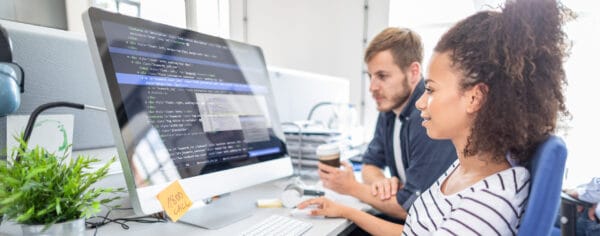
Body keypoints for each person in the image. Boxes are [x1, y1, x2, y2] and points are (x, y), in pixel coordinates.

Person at [299, 0, 572, 234]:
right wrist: (346, 211)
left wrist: (351, 198)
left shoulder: (486, 202)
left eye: (430, 90)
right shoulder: (465, 169)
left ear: (474, 98)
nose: (420, 102)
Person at [316, 27, 456, 221]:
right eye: (370, 76)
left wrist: (351, 188)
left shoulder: (428, 118)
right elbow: (370, 164)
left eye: (382, 76)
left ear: (414, 72)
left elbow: (411, 208)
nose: (372, 88)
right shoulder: (389, 109)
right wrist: (381, 183)